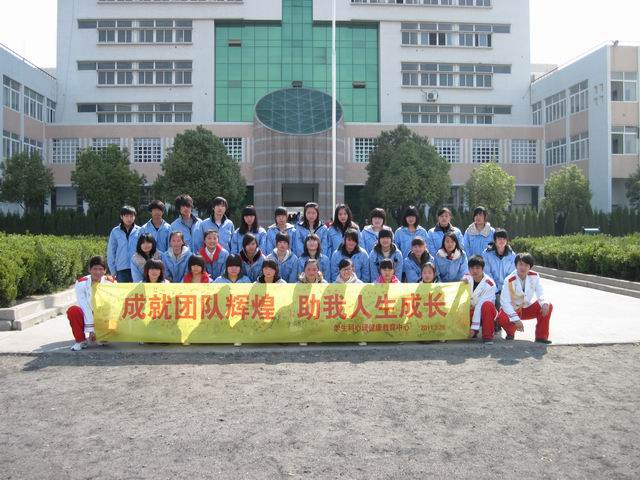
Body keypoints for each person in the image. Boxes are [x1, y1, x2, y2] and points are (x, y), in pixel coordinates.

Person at [496, 253, 553, 344]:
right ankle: (510, 333)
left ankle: (541, 337)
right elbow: (505, 302)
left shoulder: (535, 276)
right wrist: (516, 319)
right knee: (501, 318)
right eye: (520, 264)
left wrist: (544, 303)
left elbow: (541, 292)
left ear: (530, 267)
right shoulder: (509, 280)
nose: (523, 267)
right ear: (516, 265)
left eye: (526, 265)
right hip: (513, 309)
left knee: (547, 305)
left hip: (526, 309)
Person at [66, 256, 116, 351]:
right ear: (89, 269)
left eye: (101, 269)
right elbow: (84, 306)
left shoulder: (110, 282)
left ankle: (104, 335)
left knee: (111, 310)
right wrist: (92, 330)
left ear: (105, 270)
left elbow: (114, 306)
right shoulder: (81, 283)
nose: (98, 272)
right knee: (73, 311)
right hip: (88, 312)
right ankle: (80, 341)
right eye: (95, 269)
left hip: (103, 314)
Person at [462, 255, 498, 344]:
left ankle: (487, 336)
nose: (474, 271)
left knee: (487, 305)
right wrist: (461, 283)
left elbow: (479, 305)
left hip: (485, 313)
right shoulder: (466, 278)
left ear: (483, 269)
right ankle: (471, 332)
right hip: (471, 310)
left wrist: (474, 328)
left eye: (477, 268)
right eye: (472, 268)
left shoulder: (490, 284)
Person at [482, 228, 517, 312]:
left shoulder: (512, 255)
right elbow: (487, 273)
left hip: (507, 288)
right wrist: (496, 290)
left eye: (504, 238)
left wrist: (504, 289)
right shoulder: (486, 254)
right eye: (499, 238)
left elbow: (512, 274)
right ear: (494, 240)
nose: (502, 241)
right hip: (490, 287)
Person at [107, 205, 141, 283]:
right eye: (126, 216)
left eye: (131, 216)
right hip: (121, 269)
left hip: (136, 268)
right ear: (121, 217)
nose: (129, 218)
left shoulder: (140, 230)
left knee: (136, 290)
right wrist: (112, 270)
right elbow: (111, 251)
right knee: (122, 290)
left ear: (134, 217)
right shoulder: (115, 231)